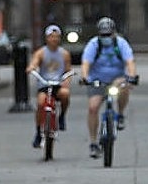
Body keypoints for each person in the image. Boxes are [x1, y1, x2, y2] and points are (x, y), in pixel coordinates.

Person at [79, 17, 138, 158]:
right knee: (93, 108)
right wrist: (85, 77)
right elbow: (86, 63)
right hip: (97, 81)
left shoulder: (121, 43)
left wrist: (132, 76)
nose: (106, 38)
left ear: (114, 33)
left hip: (116, 79)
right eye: (103, 35)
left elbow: (130, 62)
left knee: (124, 86)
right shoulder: (94, 44)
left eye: (109, 35)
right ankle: (93, 143)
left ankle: (121, 114)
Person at [26, 24, 73, 146]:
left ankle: (62, 116)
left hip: (58, 84)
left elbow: (68, 71)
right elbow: (34, 63)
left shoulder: (64, 54)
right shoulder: (41, 53)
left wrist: (66, 81)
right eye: (52, 37)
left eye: (57, 37)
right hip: (45, 84)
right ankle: (38, 132)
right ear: (47, 38)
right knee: (41, 103)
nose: (54, 39)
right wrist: (31, 68)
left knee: (65, 95)